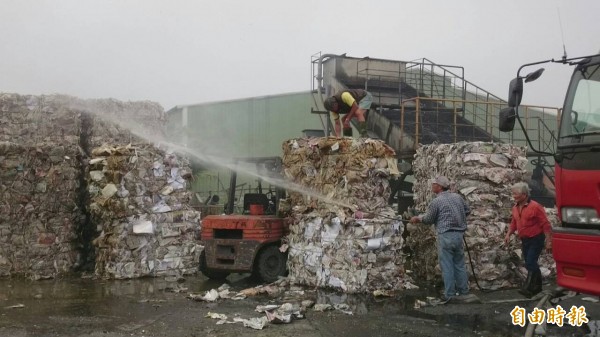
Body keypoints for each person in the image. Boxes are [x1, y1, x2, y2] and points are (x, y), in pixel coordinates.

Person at [409, 176, 472, 301]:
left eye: (434, 184)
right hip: (459, 235)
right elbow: (467, 211)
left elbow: (428, 219)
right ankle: (463, 291)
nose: (432, 186)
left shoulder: (436, 201)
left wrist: (417, 219)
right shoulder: (458, 197)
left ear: (439, 187)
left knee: (447, 265)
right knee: (459, 264)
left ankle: (450, 294)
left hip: (445, 235)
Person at [504, 182, 552, 298]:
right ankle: (537, 287)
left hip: (536, 238)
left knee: (530, 261)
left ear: (524, 195)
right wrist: (508, 234)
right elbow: (514, 222)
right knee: (529, 263)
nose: (513, 196)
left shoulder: (535, 207)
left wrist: (549, 241)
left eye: (516, 194)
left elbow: (545, 224)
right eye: (513, 193)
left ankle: (529, 287)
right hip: (525, 239)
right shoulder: (515, 208)